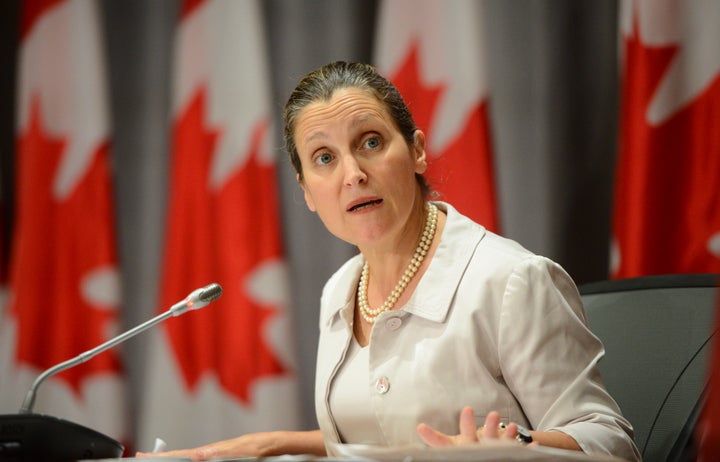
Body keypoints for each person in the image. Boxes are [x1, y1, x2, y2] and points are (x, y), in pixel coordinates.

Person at [139, 61, 640, 461]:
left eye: (371, 143)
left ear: (417, 150)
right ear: (307, 193)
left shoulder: (510, 282)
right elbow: (385, 439)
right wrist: (270, 443)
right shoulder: (340, 290)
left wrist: (516, 448)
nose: (353, 173)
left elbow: (611, 444)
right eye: (324, 158)